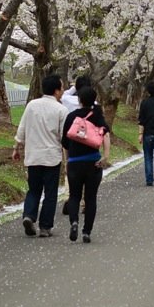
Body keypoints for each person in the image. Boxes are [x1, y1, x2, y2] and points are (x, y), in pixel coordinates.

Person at [13, 73, 66, 237]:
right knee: (50, 193)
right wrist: (67, 157)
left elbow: (22, 129)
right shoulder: (61, 109)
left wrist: (17, 147)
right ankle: (45, 227)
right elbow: (64, 136)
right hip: (51, 157)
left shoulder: (31, 105)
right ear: (57, 91)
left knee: (33, 190)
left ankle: (29, 215)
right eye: (62, 87)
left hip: (33, 156)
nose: (63, 90)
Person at [62, 86, 110, 243]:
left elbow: (65, 143)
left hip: (75, 162)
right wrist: (106, 156)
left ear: (79, 100)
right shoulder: (98, 116)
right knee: (91, 198)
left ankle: (74, 222)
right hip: (93, 162)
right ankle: (86, 232)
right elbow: (106, 135)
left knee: (74, 196)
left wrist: (67, 161)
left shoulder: (71, 117)